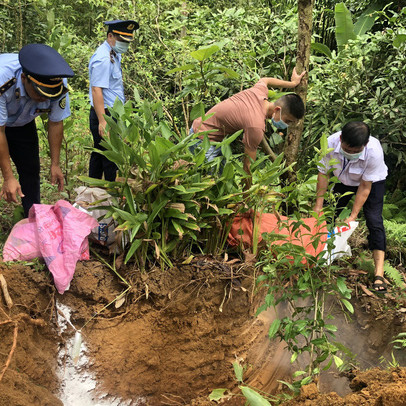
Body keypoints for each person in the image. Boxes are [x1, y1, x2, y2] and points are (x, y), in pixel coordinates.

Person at [0, 43, 74, 217]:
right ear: (24, 78)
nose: (43, 100)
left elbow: (55, 122)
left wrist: (55, 164)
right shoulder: (3, 79)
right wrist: (9, 177)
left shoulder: (58, 82)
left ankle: (32, 220)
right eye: (40, 94)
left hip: (22, 123)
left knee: (31, 171)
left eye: (49, 96)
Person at [314, 121, 388, 292]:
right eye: (347, 150)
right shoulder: (330, 143)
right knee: (327, 213)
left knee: (374, 220)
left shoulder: (374, 152)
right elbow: (324, 173)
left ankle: (379, 273)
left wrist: (353, 215)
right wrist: (318, 206)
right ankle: (320, 256)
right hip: (342, 180)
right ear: (341, 139)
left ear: (365, 144)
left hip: (371, 182)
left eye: (356, 152)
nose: (351, 154)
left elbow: (364, 186)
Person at [190, 68, 306, 177]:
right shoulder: (256, 125)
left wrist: (292, 84)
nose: (286, 125)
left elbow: (265, 80)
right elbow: (247, 166)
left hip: (213, 138)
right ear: (277, 110)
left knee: (221, 179)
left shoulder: (259, 92)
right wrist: (247, 196)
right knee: (209, 184)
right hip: (201, 139)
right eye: (287, 121)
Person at [88, 19, 139, 181]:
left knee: (100, 152)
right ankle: (111, 195)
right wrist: (103, 120)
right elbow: (96, 89)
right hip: (105, 113)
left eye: (127, 41)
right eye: (122, 40)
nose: (125, 44)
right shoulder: (103, 58)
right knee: (111, 157)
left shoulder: (113, 54)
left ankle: (93, 189)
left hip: (111, 112)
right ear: (110, 36)